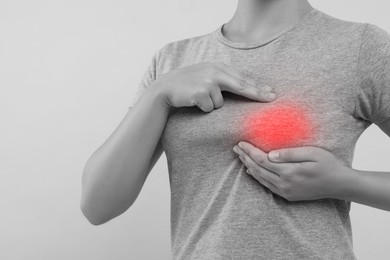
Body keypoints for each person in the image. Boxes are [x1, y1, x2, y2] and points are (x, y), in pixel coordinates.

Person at [80, 0, 390, 259]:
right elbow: (97, 205)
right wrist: (158, 95)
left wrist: (345, 182)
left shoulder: (360, 48)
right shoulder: (173, 60)